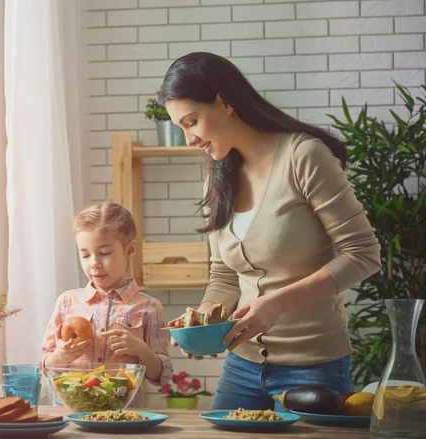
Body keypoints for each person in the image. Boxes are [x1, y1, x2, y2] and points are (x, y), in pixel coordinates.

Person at [161, 52, 381, 410]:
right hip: (242, 365)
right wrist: (201, 323)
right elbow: (224, 274)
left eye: (192, 122)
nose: (189, 139)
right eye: (181, 127)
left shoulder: (304, 156)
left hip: (313, 368)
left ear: (224, 102)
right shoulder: (217, 178)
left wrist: (276, 304)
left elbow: (363, 254)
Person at [41, 201, 172, 406]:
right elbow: (45, 364)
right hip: (69, 409)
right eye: (85, 255)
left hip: (121, 410)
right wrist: (61, 355)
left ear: (130, 249)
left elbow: (161, 375)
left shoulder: (149, 307)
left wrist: (142, 350)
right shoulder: (67, 302)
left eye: (104, 253)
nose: (93, 262)